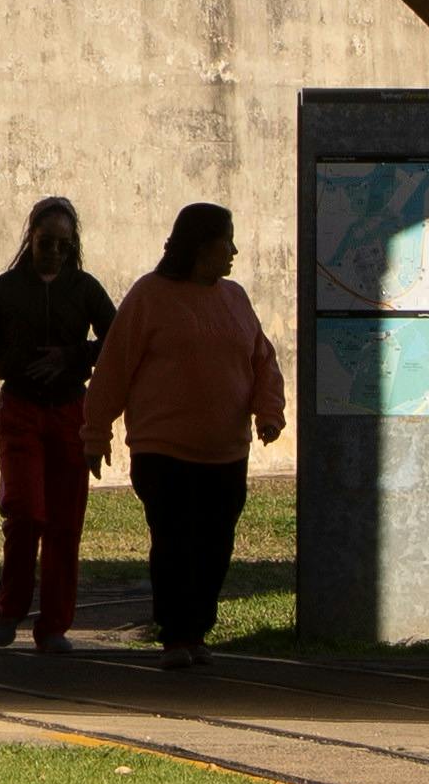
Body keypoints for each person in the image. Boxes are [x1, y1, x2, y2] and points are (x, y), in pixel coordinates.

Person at [74, 200, 284, 672]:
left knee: (216, 544)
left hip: (226, 452)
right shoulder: (150, 296)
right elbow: (113, 368)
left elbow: (262, 361)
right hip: (163, 450)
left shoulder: (235, 298)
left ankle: (197, 630)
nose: (233, 250)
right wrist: (96, 433)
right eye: (225, 240)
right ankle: (175, 635)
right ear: (199, 244)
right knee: (173, 540)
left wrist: (268, 412)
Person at [0, 197, 114, 648]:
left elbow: (118, 340)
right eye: (46, 243)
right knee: (25, 513)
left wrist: (74, 356)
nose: (55, 252)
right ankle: (9, 609)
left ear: (73, 245)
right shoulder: (5, 291)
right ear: (30, 240)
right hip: (19, 409)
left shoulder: (85, 289)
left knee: (65, 523)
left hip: (69, 411)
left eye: (63, 244)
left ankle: (54, 625)